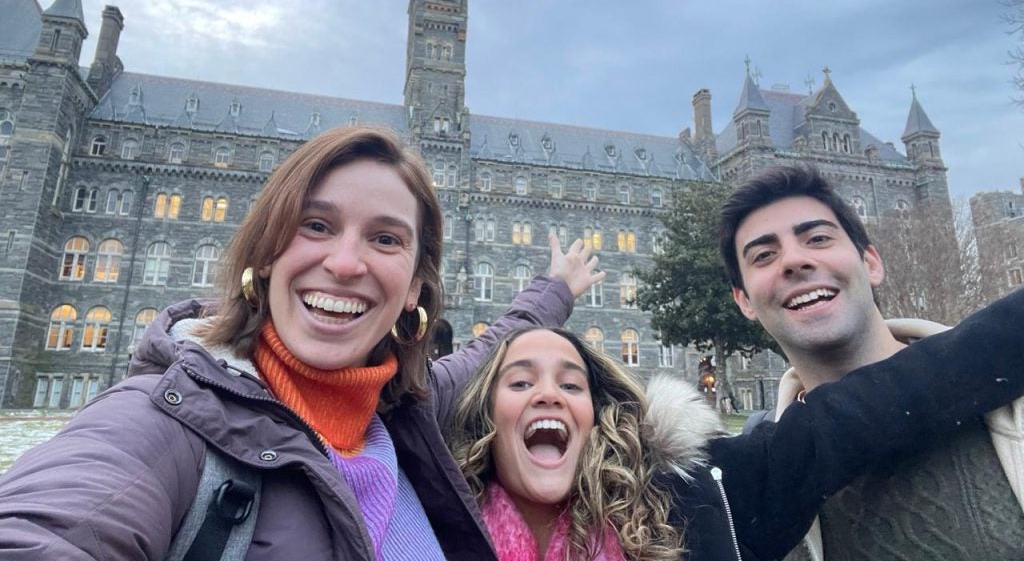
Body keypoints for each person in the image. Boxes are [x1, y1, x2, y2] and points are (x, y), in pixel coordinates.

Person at [0, 126, 604, 560]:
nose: (344, 263)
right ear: (265, 253)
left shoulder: (407, 411)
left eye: (386, 239)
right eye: (315, 225)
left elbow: (489, 346)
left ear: (416, 287)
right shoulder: (162, 422)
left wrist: (556, 289)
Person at [449, 288, 1024, 561]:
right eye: (521, 382)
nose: (548, 392)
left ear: (599, 416)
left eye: (571, 384)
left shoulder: (705, 495)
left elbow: (883, 401)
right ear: (484, 415)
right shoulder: (423, 525)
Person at [720, 164, 1024, 561]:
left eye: (818, 238)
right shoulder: (745, 488)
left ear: (871, 264)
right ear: (744, 302)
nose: (794, 261)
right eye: (763, 255)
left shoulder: (1012, 403)